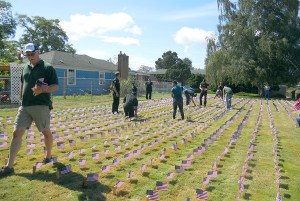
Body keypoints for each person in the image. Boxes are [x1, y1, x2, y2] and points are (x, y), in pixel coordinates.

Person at [0, 43, 59, 176]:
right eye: (27, 54)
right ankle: (9, 167)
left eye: (32, 54)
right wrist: (21, 97)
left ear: (38, 52)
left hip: (41, 105)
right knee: (16, 133)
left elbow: (55, 86)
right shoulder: (25, 67)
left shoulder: (47, 67)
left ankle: (48, 156)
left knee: (45, 132)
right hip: (25, 106)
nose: (30, 57)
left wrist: (43, 90)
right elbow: (23, 83)